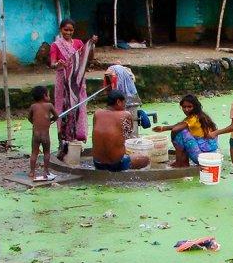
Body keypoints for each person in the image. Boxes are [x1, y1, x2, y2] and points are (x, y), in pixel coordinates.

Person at [50, 18, 97, 159]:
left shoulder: (78, 43)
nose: (68, 32)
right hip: (63, 82)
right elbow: (52, 63)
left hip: (77, 82)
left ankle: (76, 139)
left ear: (74, 31)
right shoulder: (55, 45)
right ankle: (62, 141)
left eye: (71, 30)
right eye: (66, 30)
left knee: (78, 108)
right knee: (63, 109)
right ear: (60, 29)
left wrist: (92, 45)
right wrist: (58, 63)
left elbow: (87, 57)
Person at [153, 95, 218, 167]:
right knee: (182, 132)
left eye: (189, 107)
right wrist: (163, 128)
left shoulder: (194, 118)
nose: (186, 109)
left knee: (180, 133)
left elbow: (176, 128)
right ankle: (183, 161)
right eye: (184, 107)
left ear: (195, 107)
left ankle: (180, 162)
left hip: (202, 158)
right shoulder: (200, 116)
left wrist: (167, 133)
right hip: (210, 156)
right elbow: (181, 124)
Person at [92, 90, 149, 172]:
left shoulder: (97, 113)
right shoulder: (125, 114)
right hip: (116, 164)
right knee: (146, 159)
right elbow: (128, 135)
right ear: (118, 102)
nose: (125, 106)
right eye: (124, 103)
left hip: (98, 163)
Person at [27, 86, 57, 181]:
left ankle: (32, 171)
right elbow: (57, 116)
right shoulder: (49, 105)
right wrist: (50, 120)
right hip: (45, 135)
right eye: (48, 94)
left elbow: (29, 118)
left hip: (35, 135)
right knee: (46, 152)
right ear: (45, 96)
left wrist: (35, 123)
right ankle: (45, 171)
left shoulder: (33, 106)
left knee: (34, 153)